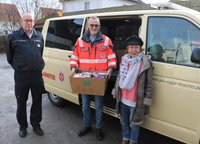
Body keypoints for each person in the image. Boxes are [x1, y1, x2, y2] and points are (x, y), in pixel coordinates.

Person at [70, 16, 117, 141]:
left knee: (99, 106)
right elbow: (75, 56)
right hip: (84, 77)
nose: (94, 27)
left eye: (96, 25)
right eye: (92, 25)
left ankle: (99, 128)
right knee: (85, 105)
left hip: (99, 78)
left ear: (99, 26)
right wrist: (73, 67)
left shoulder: (106, 41)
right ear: (88, 26)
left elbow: (112, 58)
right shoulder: (80, 40)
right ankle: (87, 126)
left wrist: (110, 69)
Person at [6, 13, 45, 138]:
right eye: (26, 20)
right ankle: (23, 126)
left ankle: (36, 124)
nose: (29, 23)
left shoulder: (39, 36)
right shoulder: (14, 37)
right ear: (21, 21)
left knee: (37, 100)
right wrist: (20, 67)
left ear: (34, 22)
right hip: (21, 76)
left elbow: (40, 53)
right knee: (21, 101)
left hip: (36, 75)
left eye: (31, 20)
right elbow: (9, 57)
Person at [112, 35, 153, 144]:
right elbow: (119, 77)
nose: (134, 50)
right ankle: (125, 138)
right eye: (131, 47)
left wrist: (146, 99)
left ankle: (133, 141)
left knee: (134, 123)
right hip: (123, 98)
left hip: (136, 100)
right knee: (123, 121)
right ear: (127, 49)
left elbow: (149, 84)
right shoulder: (124, 61)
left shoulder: (145, 63)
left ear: (140, 49)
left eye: (137, 47)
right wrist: (115, 90)